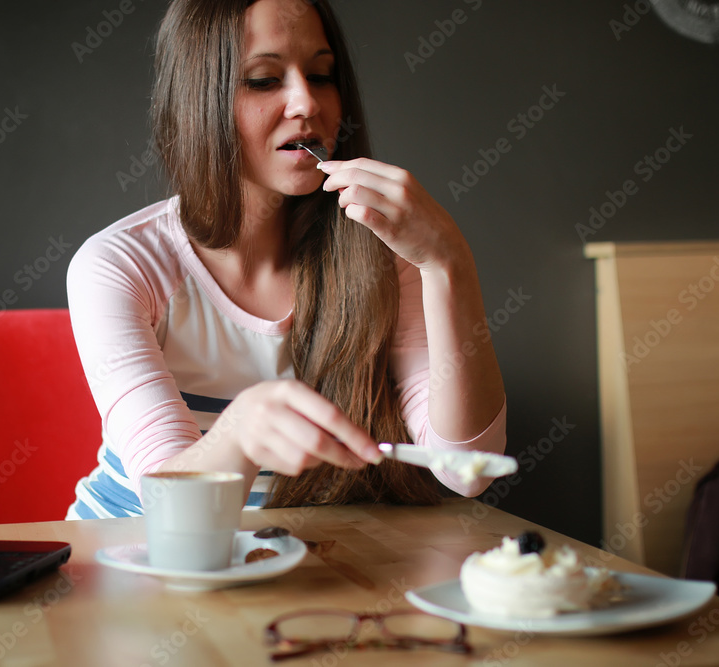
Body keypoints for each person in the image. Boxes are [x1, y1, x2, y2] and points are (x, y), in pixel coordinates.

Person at [65, 0, 506, 520]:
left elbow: (467, 468)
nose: (306, 102)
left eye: (321, 75)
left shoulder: (385, 253)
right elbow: (170, 512)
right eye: (263, 79)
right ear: (198, 100)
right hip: (133, 563)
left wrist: (448, 261)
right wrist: (242, 429)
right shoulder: (119, 266)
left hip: (284, 567)